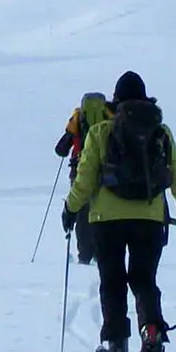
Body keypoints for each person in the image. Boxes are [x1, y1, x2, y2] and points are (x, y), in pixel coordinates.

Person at [62, 70, 176, 352]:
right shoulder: (161, 132)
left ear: (116, 100)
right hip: (148, 216)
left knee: (112, 281)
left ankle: (116, 346)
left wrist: (70, 209)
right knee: (144, 278)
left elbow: (84, 179)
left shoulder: (100, 132)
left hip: (105, 219)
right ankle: (151, 332)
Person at [54, 91, 110, 265]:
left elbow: (60, 150)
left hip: (79, 171)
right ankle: (102, 253)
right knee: (103, 212)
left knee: (82, 214)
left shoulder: (78, 119)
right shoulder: (109, 116)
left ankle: (84, 255)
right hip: (106, 173)